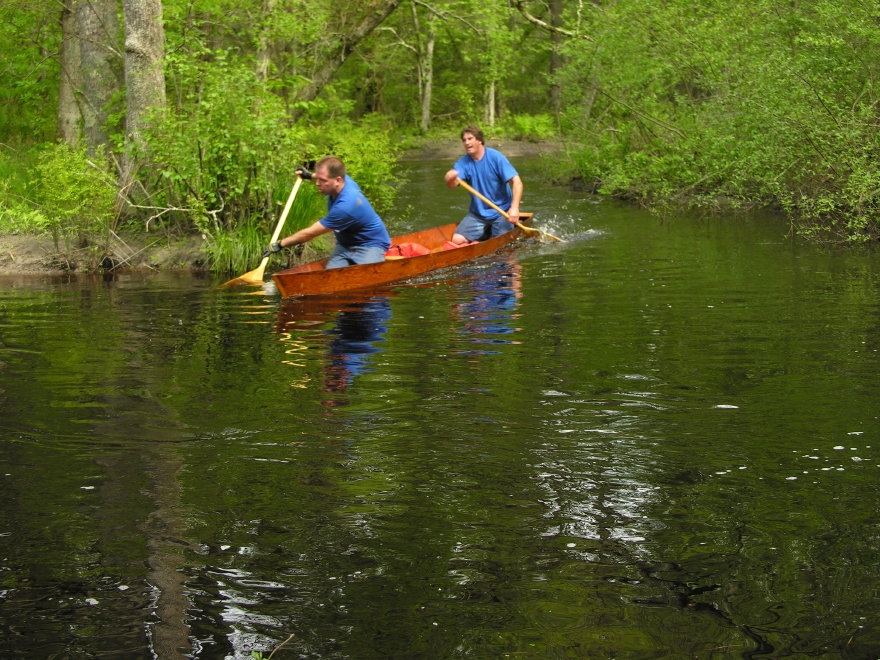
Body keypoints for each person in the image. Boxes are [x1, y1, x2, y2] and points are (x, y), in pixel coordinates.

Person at [263, 156, 391, 269]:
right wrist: (308, 175)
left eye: (322, 181)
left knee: (365, 278)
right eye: (318, 179)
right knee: (331, 276)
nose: (317, 183)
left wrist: (280, 244)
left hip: (370, 244)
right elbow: (324, 176)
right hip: (345, 244)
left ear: (338, 181)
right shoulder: (344, 180)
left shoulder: (346, 206)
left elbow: (310, 233)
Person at [444, 125, 523, 245]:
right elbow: (453, 185)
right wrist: (450, 179)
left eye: (470, 139)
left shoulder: (496, 157)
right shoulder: (463, 163)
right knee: (457, 240)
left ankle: (488, 234)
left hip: (502, 212)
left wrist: (514, 208)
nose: (466, 143)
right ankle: (484, 234)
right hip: (478, 214)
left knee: (500, 245)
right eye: (464, 140)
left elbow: (517, 182)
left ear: (479, 140)